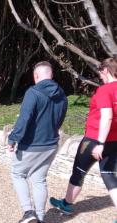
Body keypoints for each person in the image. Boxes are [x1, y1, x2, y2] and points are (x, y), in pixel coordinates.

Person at [50, 57, 117, 216]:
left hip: (95, 139)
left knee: (79, 171)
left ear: (106, 70)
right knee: (108, 174)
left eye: (101, 71)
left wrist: (100, 143)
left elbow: (106, 116)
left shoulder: (104, 90)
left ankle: (66, 204)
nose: (100, 75)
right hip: (115, 140)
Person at [7, 61, 68, 223]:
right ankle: (40, 217)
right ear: (51, 75)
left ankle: (28, 212)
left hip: (32, 144)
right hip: (51, 144)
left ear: (36, 76)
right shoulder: (62, 94)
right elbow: (60, 119)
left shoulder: (33, 92)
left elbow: (24, 118)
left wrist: (13, 138)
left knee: (18, 174)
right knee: (39, 178)